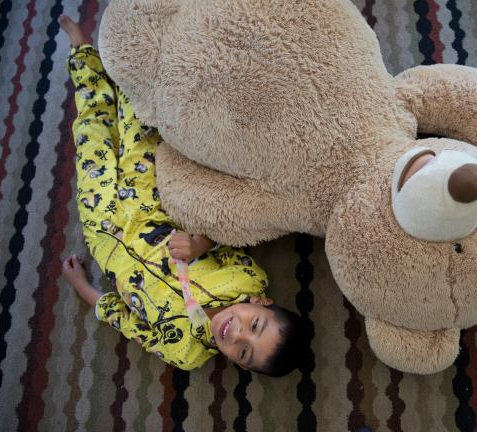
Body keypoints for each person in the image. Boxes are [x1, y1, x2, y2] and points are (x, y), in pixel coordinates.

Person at [59, 16, 306, 377]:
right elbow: (223, 231)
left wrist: (83, 288)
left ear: (237, 363)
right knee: (135, 116)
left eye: (244, 352)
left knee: (91, 133)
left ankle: (81, 55)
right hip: (149, 201)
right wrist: (199, 246)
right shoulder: (247, 281)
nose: (236, 334)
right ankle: (124, 45)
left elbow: (127, 323)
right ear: (261, 302)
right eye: (254, 326)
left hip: (104, 230)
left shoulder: (186, 352)